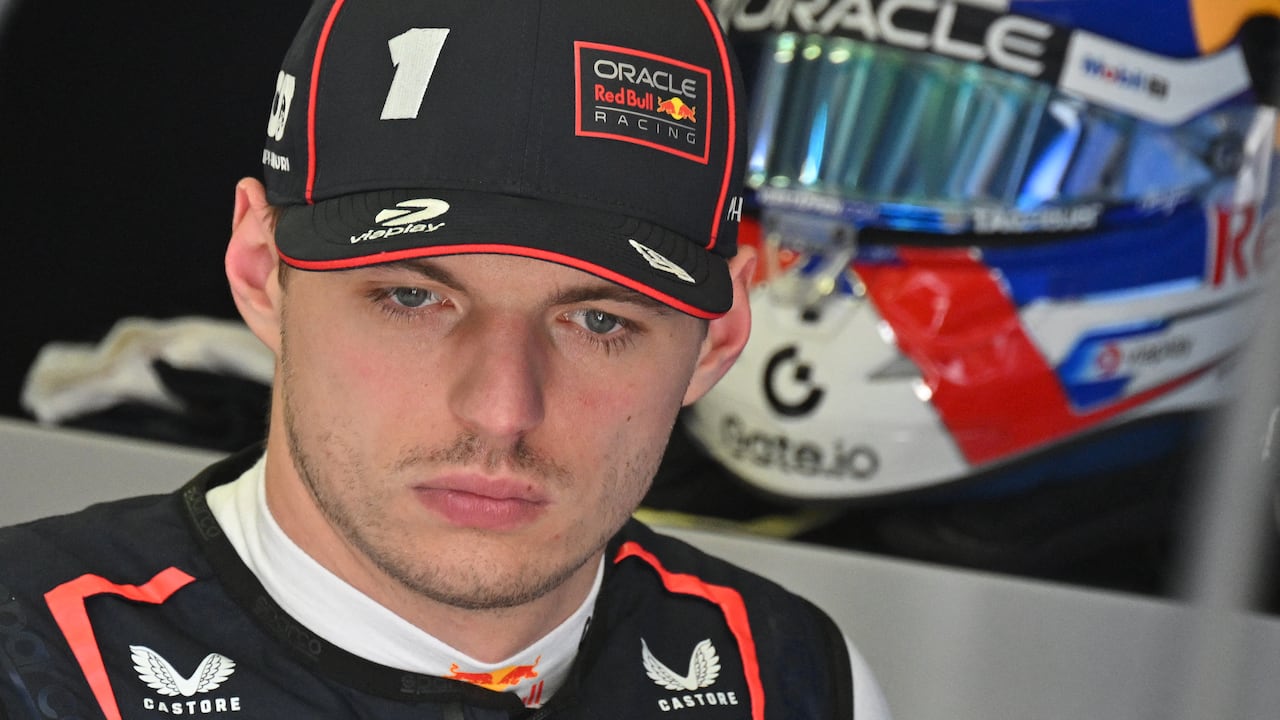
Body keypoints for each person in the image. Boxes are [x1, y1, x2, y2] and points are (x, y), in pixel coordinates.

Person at [0, 1, 891, 718]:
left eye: (598, 321)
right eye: (412, 299)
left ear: (720, 337)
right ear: (262, 273)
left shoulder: (793, 679)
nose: (502, 410)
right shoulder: (33, 659)